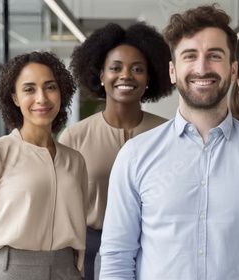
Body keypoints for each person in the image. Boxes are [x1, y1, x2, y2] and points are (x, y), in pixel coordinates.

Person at [99, 4, 239, 280]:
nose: (202, 68)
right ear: (173, 71)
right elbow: (117, 258)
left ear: (233, 70)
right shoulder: (135, 156)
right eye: (190, 56)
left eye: (214, 56)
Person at [58, 22, 173, 279]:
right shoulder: (74, 137)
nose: (126, 75)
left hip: (154, 244)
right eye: (115, 68)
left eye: (137, 69)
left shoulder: (168, 133)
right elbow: (60, 207)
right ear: (101, 74)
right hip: (89, 250)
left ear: (150, 76)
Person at [0, 51, 87, 280]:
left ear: (61, 93)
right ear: (15, 98)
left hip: (66, 271)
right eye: (29, 89)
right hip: (10, 271)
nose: (42, 98)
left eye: (50, 87)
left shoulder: (75, 160)